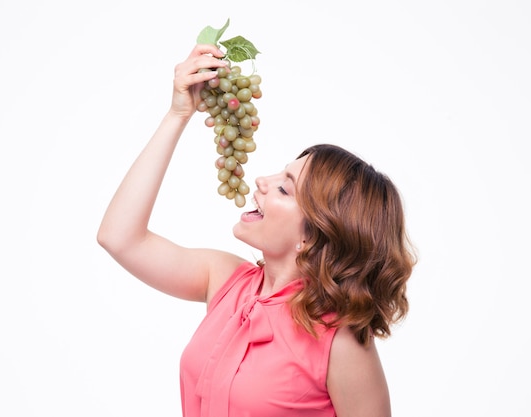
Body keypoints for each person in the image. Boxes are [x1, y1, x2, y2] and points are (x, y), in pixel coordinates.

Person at [97, 44, 416, 417]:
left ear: (312, 236)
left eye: (284, 188)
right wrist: (178, 114)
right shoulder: (227, 280)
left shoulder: (341, 342)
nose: (262, 181)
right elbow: (118, 237)